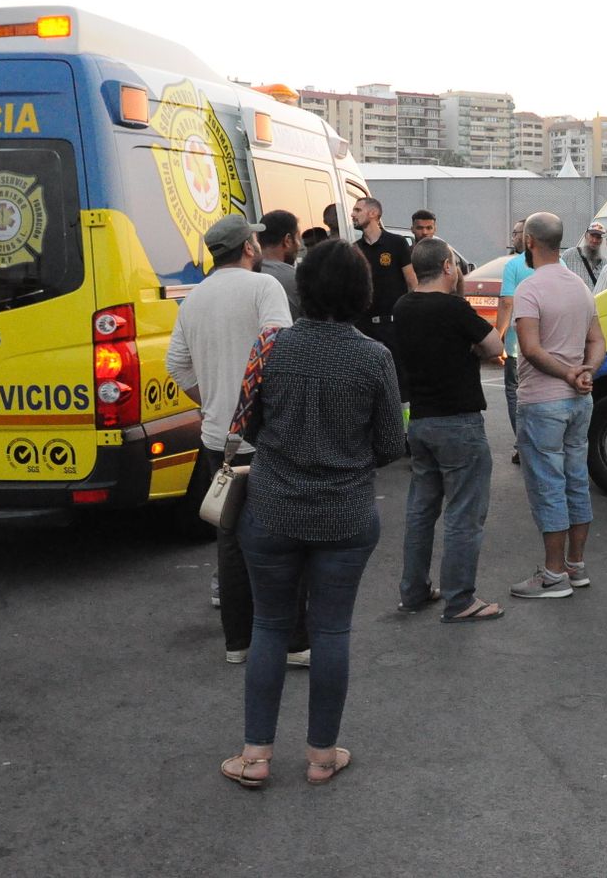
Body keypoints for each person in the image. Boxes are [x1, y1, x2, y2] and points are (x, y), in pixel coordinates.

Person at [220, 239, 405, 789]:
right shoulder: (374, 357)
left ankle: (255, 756)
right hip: (345, 516)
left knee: (270, 627)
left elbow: (246, 426)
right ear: (361, 291)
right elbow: (392, 443)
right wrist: (346, 459)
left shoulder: (271, 348)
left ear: (302, 288)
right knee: (331, 631)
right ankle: (322, 756)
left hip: (272, 510)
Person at [167, 213, 308, 666]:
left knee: (230, 539)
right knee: (282, 533)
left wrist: (213, 398)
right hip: (268, 434)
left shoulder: (192, 300)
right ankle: (293, 642)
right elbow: (280, 347)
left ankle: (238, 642)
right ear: (248, 248)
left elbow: (177, 366)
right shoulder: (263, 288)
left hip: (218, 437)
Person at [393, 238, 507, 623]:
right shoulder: (454, 308)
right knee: (463, 513)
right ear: (447, 266)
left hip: (421, 421)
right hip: (458, 422)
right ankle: (460, 600)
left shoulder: (402, 307)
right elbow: (494, 346)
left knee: (421, 510)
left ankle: (414, 591)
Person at [509, 212, 605, 599]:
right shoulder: (580, 287)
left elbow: (529, 349)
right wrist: (585, 372)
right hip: (580, 401)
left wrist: (567, 374)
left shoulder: (530, 289)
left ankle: (552, 575)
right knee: (576, 480)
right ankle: (575, 566)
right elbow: (598, 342)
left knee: (548, 484)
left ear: (530, 241)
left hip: (541, 402)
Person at [351, 196, 416, 405]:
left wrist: (411, 316)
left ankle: (402, 433)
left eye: (357, 210)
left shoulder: (396, 244)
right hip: (362, 327)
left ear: (373, 213)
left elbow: (412, 282)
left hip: (391, 325)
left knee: (397, 382)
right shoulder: (354, 249)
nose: (353, 214)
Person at [492, 219, 532, 464]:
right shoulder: (557, 263)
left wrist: (497, 339)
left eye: (515, 233)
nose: (513, 237)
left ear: (526, 236)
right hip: (546, 345)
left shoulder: (514, 265)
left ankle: (523, 444)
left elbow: (507, 303)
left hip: (518, 344)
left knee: (515, 393)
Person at [258, 209, 302, 319]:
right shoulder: (298, 279)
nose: (299, 245)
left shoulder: (248, 273)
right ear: (287, 240)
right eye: (297, 238)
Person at [561, 221, 607, 291]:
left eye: (598, 237)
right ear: (586, 236)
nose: (594, 240)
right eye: (592, 236)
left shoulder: (605, 263)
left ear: (601, 240)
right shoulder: (569, 255)